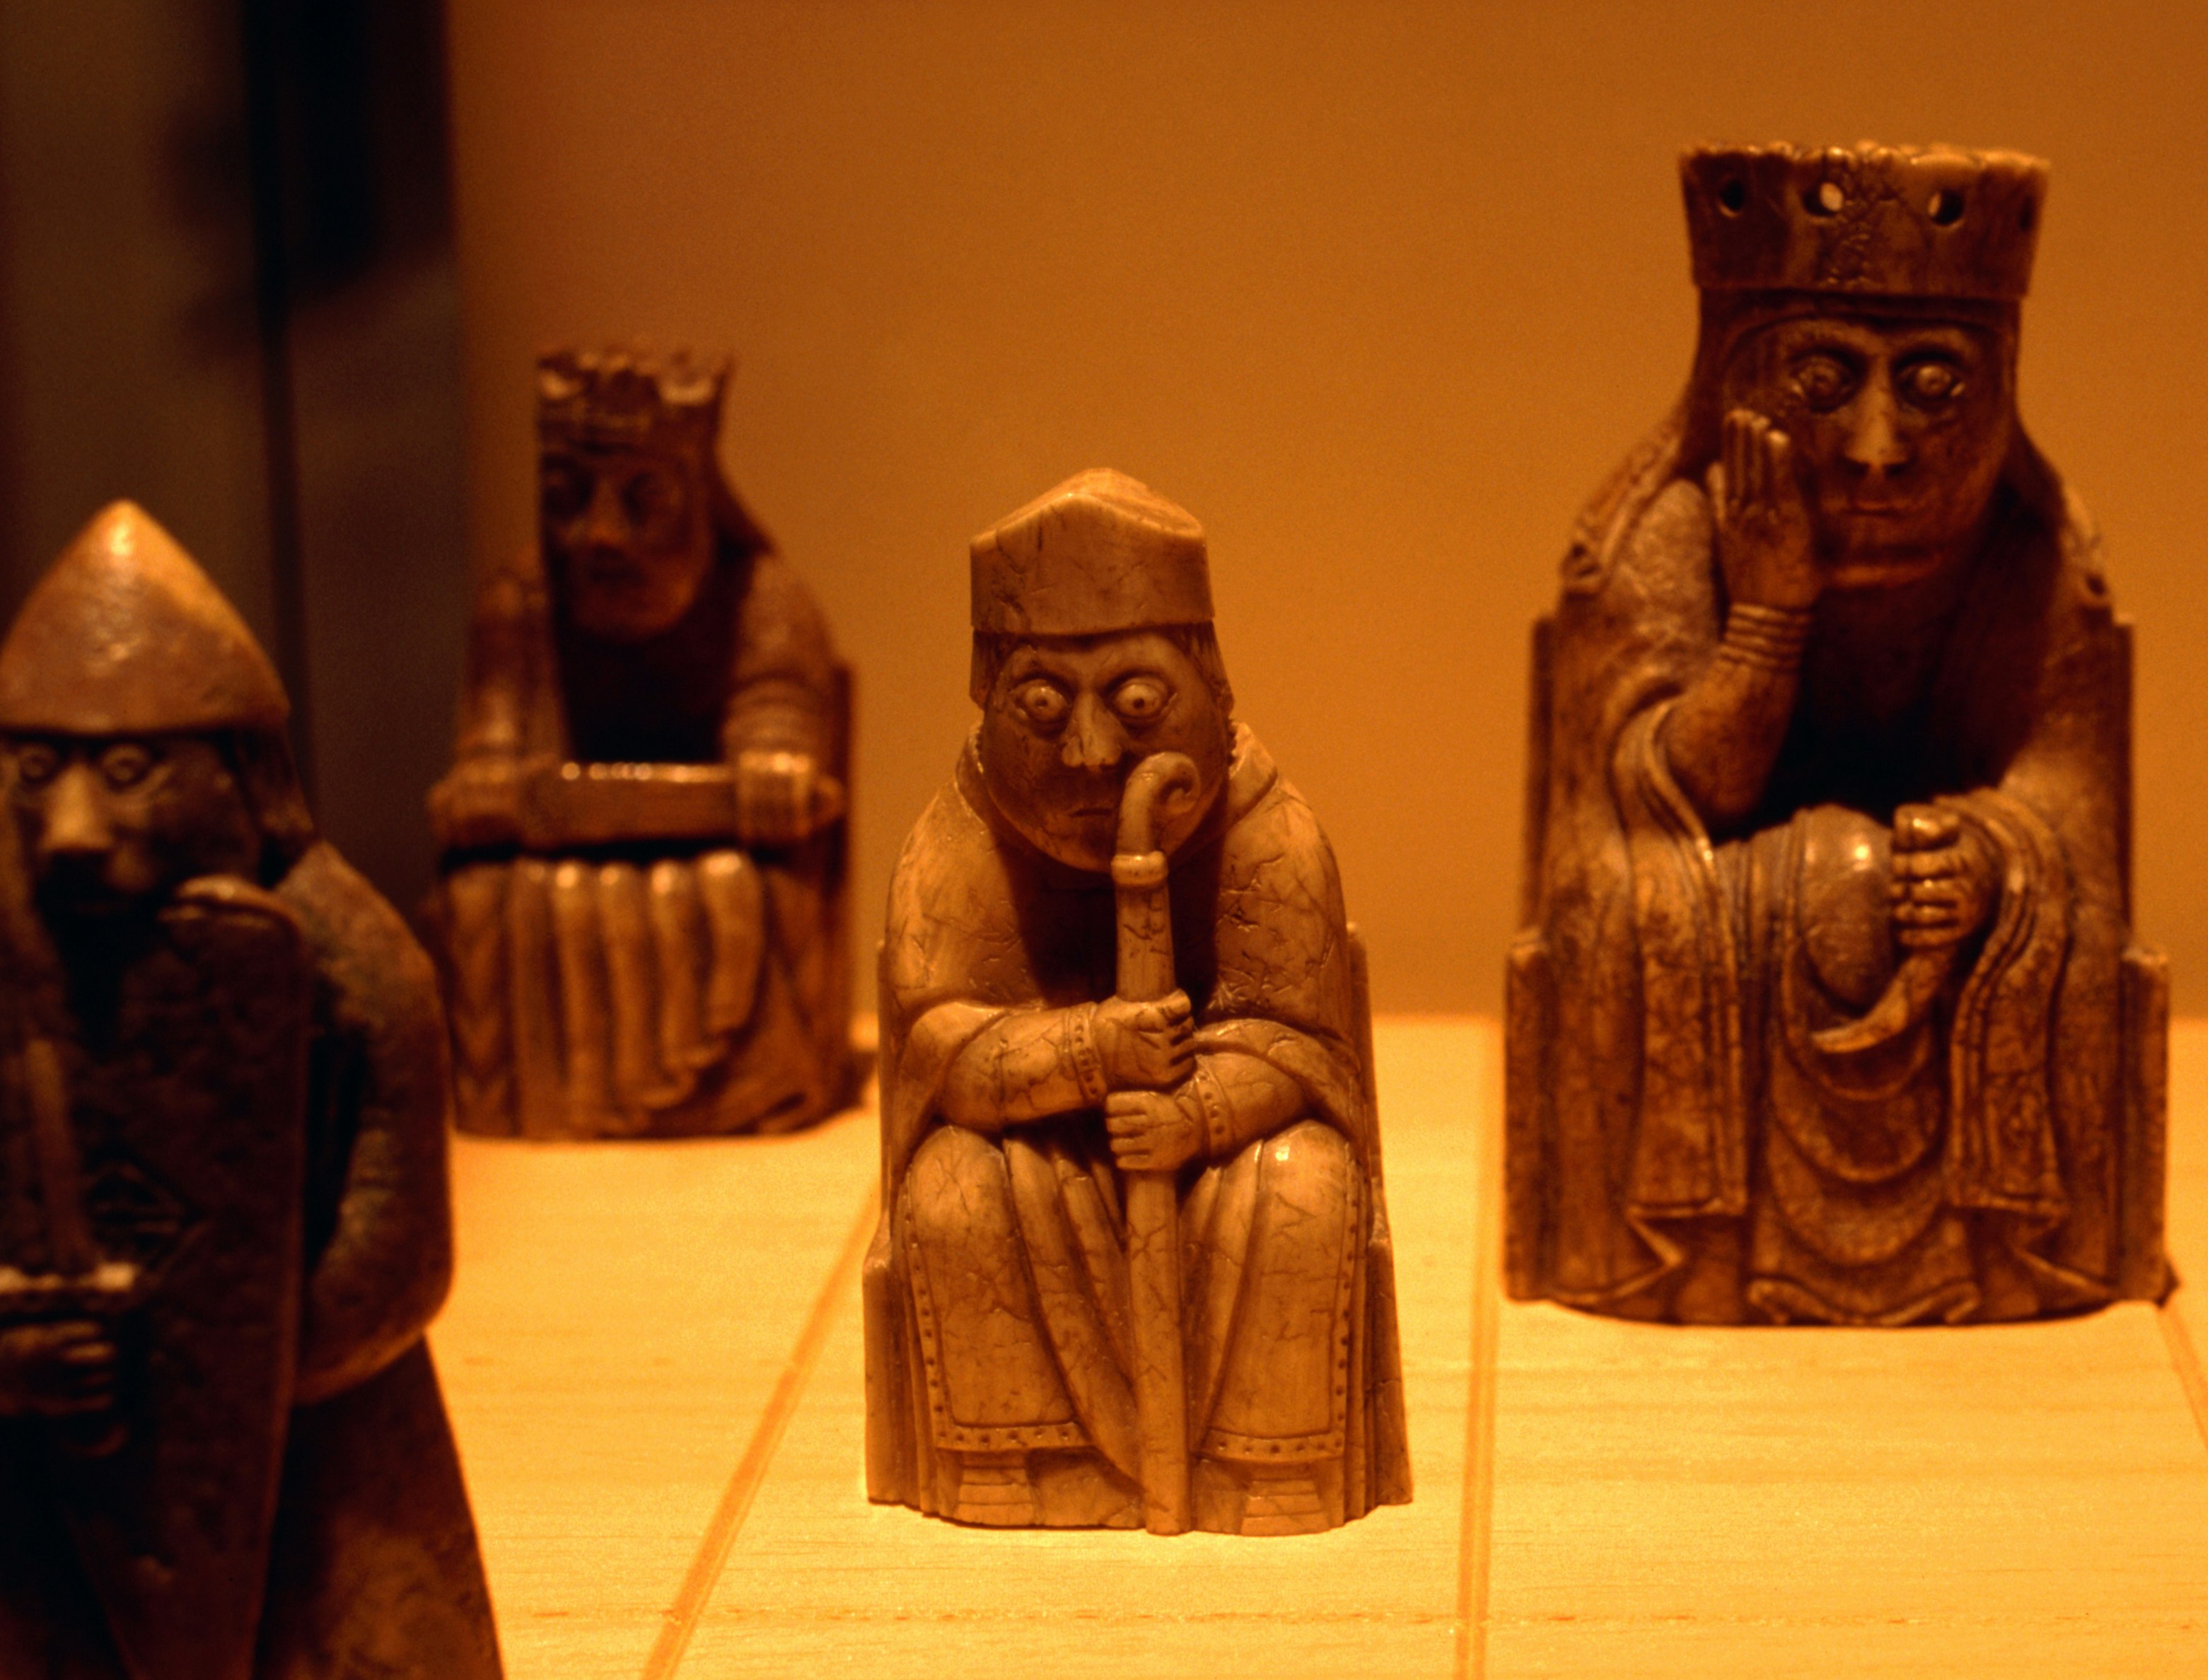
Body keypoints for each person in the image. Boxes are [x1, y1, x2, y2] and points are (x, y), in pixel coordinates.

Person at [1506, 142, 2167, 1326]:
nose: (1876, 445)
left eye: (1931, 386)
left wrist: (1997, 856)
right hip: (1733, 900)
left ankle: (1991, 1256)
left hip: (1918, 913)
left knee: (2019, 912)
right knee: (1638, 902)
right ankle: (1696, 1255)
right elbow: (1663, 805)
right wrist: (1767, 616)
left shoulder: (2033, 553)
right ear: (1735, 379)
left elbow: (2074, 803)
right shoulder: (1668, 532)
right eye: (1820, 381)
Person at [0, 502, 499, 1676]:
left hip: (318, 1441)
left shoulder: (351, 959)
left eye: (126, 771)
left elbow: (399, 1257)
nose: (73, 829)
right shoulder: (15, 964)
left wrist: (234, 1369)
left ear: (233, 766)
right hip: (61, 1456)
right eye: (36, 769)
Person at [863, 469, 1409, 1535]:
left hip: (1213, 1142)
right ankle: (1016, 1465)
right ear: (990, 698)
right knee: (953, 1192)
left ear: (1209, 680)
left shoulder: (1267, 829)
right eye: (1042, 706)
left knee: (1304, 1181)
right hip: (1038, 1143)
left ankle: (1269, 1470)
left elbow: (1303, 1044)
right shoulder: (959, 839)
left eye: (1138, 704)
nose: (1092, 754)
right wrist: (1083, 1053)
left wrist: (1199, 1113)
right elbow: (938, 1047)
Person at [430, 344, 853, 1137]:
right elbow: (487, 750)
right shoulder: (519, 603)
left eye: (641, 499)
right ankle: (530, 1098)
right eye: (565, 495)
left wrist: (772, 770)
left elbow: (780, 727)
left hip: (715, 866)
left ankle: (745, 1092)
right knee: (478, 899)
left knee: (764, 890)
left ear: (700, 497)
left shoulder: (764, 603)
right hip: (556, 873)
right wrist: (487, 778)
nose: (599, 535)